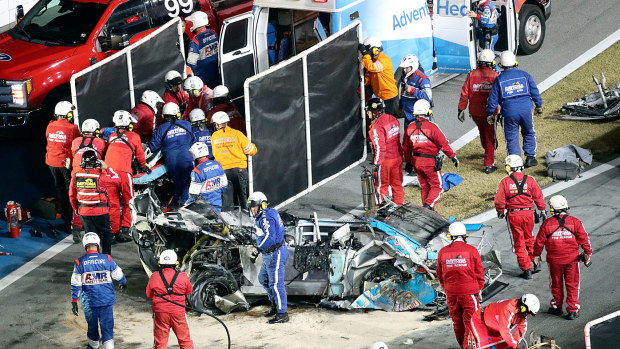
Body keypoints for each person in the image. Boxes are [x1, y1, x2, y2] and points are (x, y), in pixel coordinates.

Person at [533, 195, 592, 320]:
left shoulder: (547, 224)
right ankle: (572, 310)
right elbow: (584, 239)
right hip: (572, 260)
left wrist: (536, 255)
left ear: (553, 209)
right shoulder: (576, 222)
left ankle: (556, 307)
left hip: (554, 261)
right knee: (572, 284)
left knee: (555, 284)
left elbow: (539, 243)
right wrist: (588, 253)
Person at [487, 51, 543, 168]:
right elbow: (534, 92)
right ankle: (530, 158)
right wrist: (538, 105)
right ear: (515, 63)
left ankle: (515, 163)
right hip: (526, 111)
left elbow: (492, 100)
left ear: (501, 65)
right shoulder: (525, 75)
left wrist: (489, 113)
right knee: (529, 132)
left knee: (511, 137)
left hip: (509, 113)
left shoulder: (499, 80)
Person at [71, 232, 127, 349]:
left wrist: (74, 300)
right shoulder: (107, 259)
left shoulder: (79, 262)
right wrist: (123, 282)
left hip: (90, 304)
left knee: (92, 328)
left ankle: (93, 347)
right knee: (107, 328)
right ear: (98, 244)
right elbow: (118, 275)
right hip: (106, 301)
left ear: (85, 245)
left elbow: (76, 284)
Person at [495, 154, 546, 279]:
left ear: (510, 168)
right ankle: (535, 262)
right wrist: (543, 210)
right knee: (530, 238)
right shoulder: (530, 180)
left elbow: (499, 200)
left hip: (513, 215)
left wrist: (500, 211)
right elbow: (538, 196)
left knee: (518, 242)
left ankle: (526, 268)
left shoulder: (505, 182)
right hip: (529, 214)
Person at [403, 100, 459, 210]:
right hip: (430, 162)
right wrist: (453, 157)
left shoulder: (410, 127)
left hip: (416, 162)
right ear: (428, 111)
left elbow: (406, 147)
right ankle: (428, 207)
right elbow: (443, 144)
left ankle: (427, 210)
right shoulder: (432, 127)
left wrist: (408, 162)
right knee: (437, 186)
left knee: (425, 187)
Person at [437, 222, 485, 349]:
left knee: (457, 322)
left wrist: (447, 287)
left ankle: (462, 345)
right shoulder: (471, 251)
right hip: (469, 293)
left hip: (451, 294)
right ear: (465, 236)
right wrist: (479, 288)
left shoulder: (443, 252)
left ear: (450, 236)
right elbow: (479, 272)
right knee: (472, 322)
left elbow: (440, 273)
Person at [105, 110, 148, 242]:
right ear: (128, 123)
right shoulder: (134, 136)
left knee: (113, 204)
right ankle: (124, 229)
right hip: (124, 173)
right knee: (129, 201)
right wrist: (144, 166)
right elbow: (140, 155)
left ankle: (113, 232)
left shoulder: (112, 135)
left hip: (109, 173)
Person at [248, 191, 289, 324]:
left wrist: (258, 249)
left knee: (276, 284)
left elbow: (270, 238)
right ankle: (275, 305)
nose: (252, 209)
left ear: (262, 205)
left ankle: (282, 314)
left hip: (275, 254)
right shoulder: (266, 214)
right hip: (269, 254)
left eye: (254, 206)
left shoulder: (265, 217)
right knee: (263, 279)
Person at [69, 151, 120, 255]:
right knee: (106, 235)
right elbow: (117, 180)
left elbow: (71, 194)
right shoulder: (100, 176)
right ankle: (106, 258)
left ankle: (93, 257)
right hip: (101, 212)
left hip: (84, 211)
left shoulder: (76, 175)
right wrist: (107, 167)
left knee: (91, 237)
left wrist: (76, 209)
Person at [458, 49, 500, 174]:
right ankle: (489, 164)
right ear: (491, 62)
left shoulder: (471, 75)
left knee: (483, 132)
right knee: (490, 137)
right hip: (490, 113)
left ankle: (489, 149)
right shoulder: (495, 75)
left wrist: (460, 109)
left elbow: (464, 94)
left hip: (475, 112)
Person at [146, 250, 194, 349]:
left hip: (161, 315)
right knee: (185, 341)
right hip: (179, 313)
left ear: (160, 263)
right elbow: (189, 291)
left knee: (160, 344)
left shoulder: (154, 276)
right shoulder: (183, 276)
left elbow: (149, 294)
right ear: (176, 263)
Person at [149, 103, 195, 205]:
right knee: (189, 182)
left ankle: (181, 203)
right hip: (188, 157)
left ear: (164, 116)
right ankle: (186, 204)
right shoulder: (186, 124)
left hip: (172, 160)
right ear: (177, 113)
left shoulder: (161, 129)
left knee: (178, 182)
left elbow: (153, 147)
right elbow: (193, 140)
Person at [46, 101, 81, 232]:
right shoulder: (73, 128)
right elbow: (78, 143)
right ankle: (71, 220)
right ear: (68, 114)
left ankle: (66, 219)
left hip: (51, 163)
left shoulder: (49, 126)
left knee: (59, 189)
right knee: (70, 192)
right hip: (65, 164)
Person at [211, 111, 257, 210]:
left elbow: (215, 154)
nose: (215, 126)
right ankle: (246, 221)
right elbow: (251, 151)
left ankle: (229, 223)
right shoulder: (237, 134)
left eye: (215, 124)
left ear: (219, 124)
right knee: (243, 199)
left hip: (223, 172)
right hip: (239, 170)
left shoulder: (214, 137)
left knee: (227, 202)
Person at [70, 119, 107, 243]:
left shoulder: (75, 141)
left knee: (78, 198)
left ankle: (76, 225)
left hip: (76, 172)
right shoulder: (100, 142)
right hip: (92, 172)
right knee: (96, 197)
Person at [366, 98, 404, 206]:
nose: (368, 114)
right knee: (397, 185)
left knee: (381, 187)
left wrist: (376, 165)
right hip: (397, 157)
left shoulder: (376, 126)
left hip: (385, 161)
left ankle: (384, 212)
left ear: (375, 112)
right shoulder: (393, 119)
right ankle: (399, 207)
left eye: (369, 111)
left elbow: (380, 147)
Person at [469, 294, 539, 349]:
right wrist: (514, 345)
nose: (528, 315)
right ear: (523, 307)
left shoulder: (521, 313)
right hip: (479, 321)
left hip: (494, 326)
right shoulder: (508, 308)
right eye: (528, 313)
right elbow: (504, 330)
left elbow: (521, 329)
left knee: (503, 346)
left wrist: (515, 342)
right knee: (484, 345)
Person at [359, 37, 399, 116]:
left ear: (375, 50)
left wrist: (364, 54)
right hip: (380, 96)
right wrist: (364, 81)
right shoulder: (373, 61)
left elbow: (371, 67)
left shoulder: (384, 60)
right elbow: (370, 75)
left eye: (369, 52)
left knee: (388, 121)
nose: (368, 54)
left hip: (389, 97)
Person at [188, 142, 227, 211]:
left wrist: (187, 205)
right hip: (218, 204)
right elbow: (224, 185)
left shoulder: (197, 171)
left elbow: (193, 195)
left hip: (204, 208)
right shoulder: (218, 164)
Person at [187, 11, 220, 89]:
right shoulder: (213, 33)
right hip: (217, 73)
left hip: (203, 79)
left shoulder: (195, 41)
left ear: (196, 23)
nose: (191, 25)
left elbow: (191, 65)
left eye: (192, 23)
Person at [398, 54, 432, 127]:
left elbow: (428, 97)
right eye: (404, 68)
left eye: (407, 68)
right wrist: (400, 106)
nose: (404, 70)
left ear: (413, 66)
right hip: (408, 114)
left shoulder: (423, 79)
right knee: (407, 136)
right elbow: (402, 93)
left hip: (420, 115)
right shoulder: (403, 76)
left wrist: (413, 91)